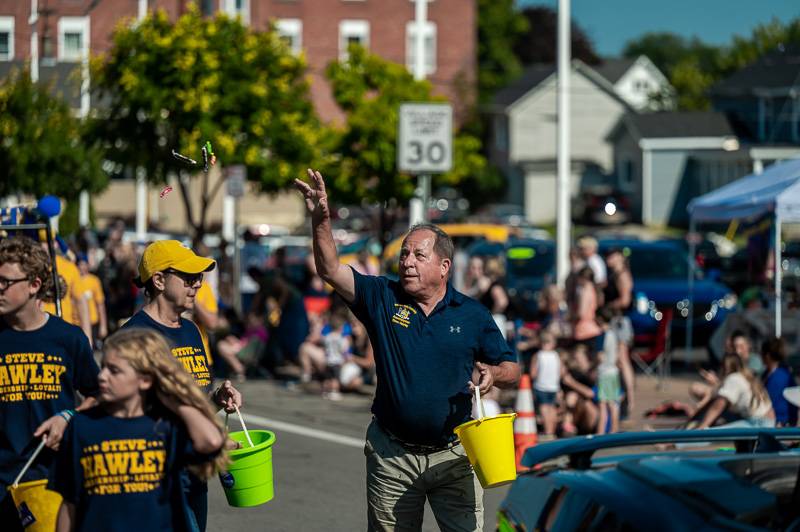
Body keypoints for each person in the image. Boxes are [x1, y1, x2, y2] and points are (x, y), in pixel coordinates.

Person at [295, 169, 520, 531]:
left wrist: (494, 374)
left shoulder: (473, 314)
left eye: (419, 254)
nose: (407, 261)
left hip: (455, 455)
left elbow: (512, 368)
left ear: (444, 266)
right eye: (404, 253)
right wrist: (321, 219)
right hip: (392, 456)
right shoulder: (382, 297)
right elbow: (330, 269)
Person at [51, 328, 225, 532]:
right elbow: (69, 503)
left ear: (145, 380)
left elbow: (211, 441)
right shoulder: (82, 425)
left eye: (114, 371)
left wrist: (171, 397)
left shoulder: (165, 425)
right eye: (103, 367)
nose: (102, 376)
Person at [121, 240, 242, 532]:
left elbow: (195, 400)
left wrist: (217, 398)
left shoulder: (190, 330)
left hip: (194, 475)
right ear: (159, 280)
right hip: (158, 482)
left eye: (199, 277)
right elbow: (128, 419)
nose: (197, 285)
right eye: (188, 278)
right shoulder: (135, 337)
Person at [0, 236, 100, 532]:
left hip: (53, 480)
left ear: (34, 285)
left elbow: (100, 396)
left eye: (6, 282)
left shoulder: (69, 339)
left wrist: (69, 417)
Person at [694, 353, 774, 429]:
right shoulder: (747, 377)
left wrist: (702, 426)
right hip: (768, 421)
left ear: (725, 367)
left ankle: (688, 439)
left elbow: (718, 405)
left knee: (710, 433)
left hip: (757, 424)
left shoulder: (733, 378)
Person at [603, 248, 635, 412]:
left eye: (612, 256)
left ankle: (629, 399)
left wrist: (607, 306)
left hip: (620, 321)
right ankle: (621, 396)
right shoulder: (612, 274)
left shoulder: (622, 275)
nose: (609, 259)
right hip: (614, 320)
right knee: (616, 360)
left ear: (620, 258)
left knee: (622, 360)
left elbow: (625, 300)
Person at [761, 337, 798, 427]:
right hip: (778, 421)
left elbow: (774, 404)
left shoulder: (779, 377)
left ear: (767, 356)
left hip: (780, 424)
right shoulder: (773, 374)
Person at [595, 310, 621, 434]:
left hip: (604, 372)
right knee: (613, 403)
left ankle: (600, 432)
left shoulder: (602, 335)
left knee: (603, 404)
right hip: (613, 371)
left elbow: (600, 356)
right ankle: (614, 429)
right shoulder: (613, 334)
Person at [75, 253, 108, 349]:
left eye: (84, 264)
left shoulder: (94, 281)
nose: (82, 267)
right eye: (79, 264)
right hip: (76, 322)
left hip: (92, 322)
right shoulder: (74, 280)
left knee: (89, 349)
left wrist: (103, 325)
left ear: (88, 265)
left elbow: (100, 304)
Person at [530, 331, 560, 437]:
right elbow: (560, 371)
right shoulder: (556, 355)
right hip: (553, 386)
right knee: (552, 408)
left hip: (541, 386)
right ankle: (552, 430)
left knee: (543, 408)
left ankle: (547, 431)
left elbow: (533, 373)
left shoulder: (538, 355)